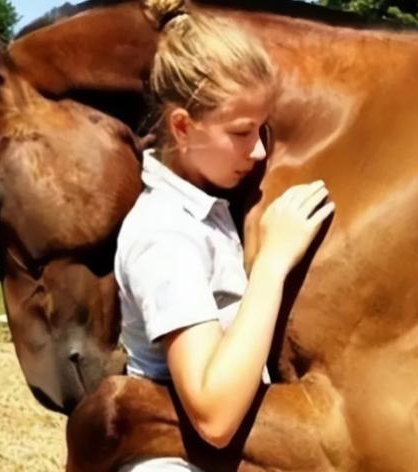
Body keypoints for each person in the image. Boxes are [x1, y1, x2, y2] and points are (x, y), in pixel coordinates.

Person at [114, 0, 335, 469]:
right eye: (241, 132)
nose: (257, 151)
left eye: (262, 129)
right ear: (182, 126)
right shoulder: (164, 234)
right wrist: (273, 264)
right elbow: (214, 415)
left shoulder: (206, 207)